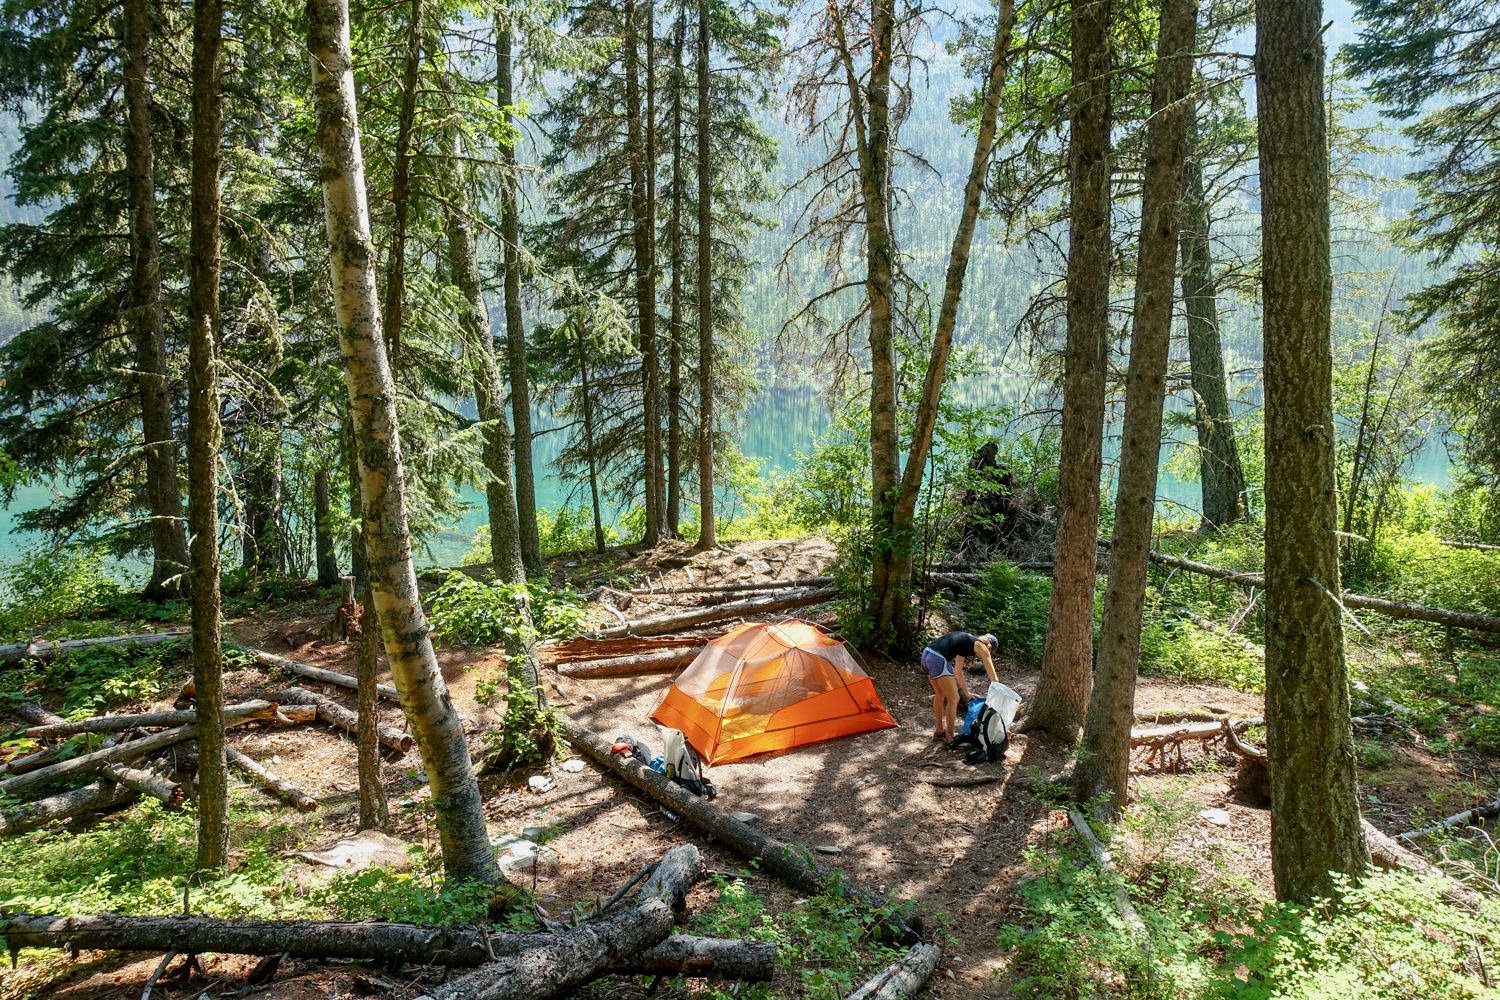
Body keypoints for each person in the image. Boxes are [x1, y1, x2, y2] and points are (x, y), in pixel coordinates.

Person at [920, 631, 999, 742]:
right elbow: (994, 678)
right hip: (938, 658)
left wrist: (967, 693)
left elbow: (958, 672)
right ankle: (950, 738)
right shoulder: (981, 646)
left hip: (927, 653)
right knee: (954, 698)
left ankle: (939, 732)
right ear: (989, 648)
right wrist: (999, 695)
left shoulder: (966, 643)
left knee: (940, 694)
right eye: (991, 652)